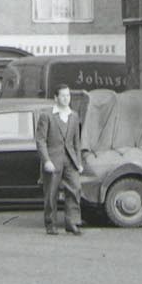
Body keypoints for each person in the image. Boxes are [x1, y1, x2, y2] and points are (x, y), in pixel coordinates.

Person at [33, 85, 85, 235]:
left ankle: (72, 222)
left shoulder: (73, 116)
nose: (66, 99)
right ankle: (51, 224)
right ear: (56, 98)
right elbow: (40, 140)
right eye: (63, 96)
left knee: (75, 189)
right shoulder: (47, 115)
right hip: (53, 160)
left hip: (70, 160)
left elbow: (76, 141)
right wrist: (46, 160)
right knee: (51, 193)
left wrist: (79, 162)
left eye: (68, 96)